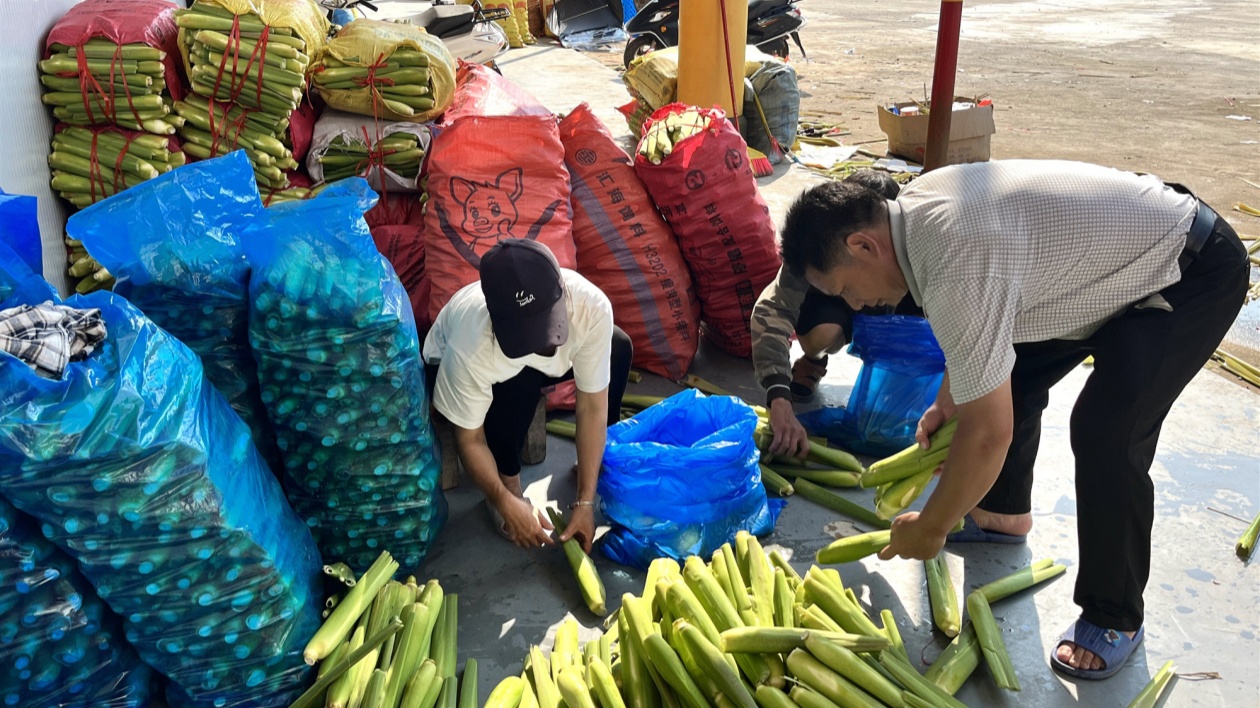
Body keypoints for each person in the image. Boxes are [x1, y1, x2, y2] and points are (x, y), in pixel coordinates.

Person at [776, 160, 1248, 680]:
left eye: (845, 289)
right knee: (1013, 375)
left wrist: (932, 526)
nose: (856, 304)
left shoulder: (956, 257)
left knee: (1107, 431)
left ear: (864, 246)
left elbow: (989, 431)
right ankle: (1001, 514)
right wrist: (948, 399)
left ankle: (1115, 615)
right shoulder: (914, 218)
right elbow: (981, 330)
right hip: (1101, 271)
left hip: (1185, 271)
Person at [423, 240, 633, 553]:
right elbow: (470, 440)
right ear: (497, 321)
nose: (544, 345)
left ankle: (595, 461)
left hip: (517, 361)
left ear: (561, 288)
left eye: (548, 325)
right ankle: (510, 486)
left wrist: (586, 500)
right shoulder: (472, 345)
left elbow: (591, 404)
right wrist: (502, 498)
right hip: (451, 366)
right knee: (517, 381)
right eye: (529, 334)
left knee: (618, 347)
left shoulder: (591, 306)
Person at [751, 170, 921, 458]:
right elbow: (773, 311)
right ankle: (813, 361)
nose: (857, 303)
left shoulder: (918, 248)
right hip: (831, 312)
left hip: (893, 310)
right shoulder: (818, 244)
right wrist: (778, 395)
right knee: (823, 333)